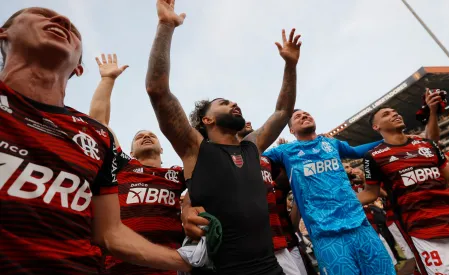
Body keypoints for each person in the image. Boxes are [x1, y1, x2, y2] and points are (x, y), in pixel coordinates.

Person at [0, 7, 189, 275]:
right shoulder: (121, 162)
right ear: (3, 33)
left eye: (74, 31)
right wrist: (108, 80)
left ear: (78, 68)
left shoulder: (95, 138)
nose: (62, 20)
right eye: (40, 13)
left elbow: (110, 233)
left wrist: (192, 261)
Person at [145, 0, 301, 273]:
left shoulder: (252, 147)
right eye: (224, 102)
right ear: (207, 119)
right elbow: (157, 89)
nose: (233, 104)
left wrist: (290, 66)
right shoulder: (194, 148)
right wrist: (166, 25)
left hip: (270, 267)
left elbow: (282, 111)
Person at [358, 106, 449, 275]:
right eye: (386, 114)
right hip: (425, 233)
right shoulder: (374, 156)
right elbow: (371, 192)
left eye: (395, 111)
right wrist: (337, 202)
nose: (395, 114)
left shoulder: (428, 145)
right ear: (376, 127)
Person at [263, 109, 396, 275]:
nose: (304, 116)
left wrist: (389, 140)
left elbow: (356, 152)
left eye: (307, 113)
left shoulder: (331, 143)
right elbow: (256, 158)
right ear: (291, 130)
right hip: (326, 235)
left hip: (359, 224)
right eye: (297, 117)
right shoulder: (284, 151)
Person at [89, 53, 187, 275]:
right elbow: (98, 125)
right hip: (119, 266)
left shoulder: (178, 175)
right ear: (131, 150)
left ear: (162, 148)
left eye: (151, 134)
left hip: (168, 267)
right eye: (139, 136)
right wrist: (108, 80)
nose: (146, 136)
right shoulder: (123, 166)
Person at [237, 122, 307, 275]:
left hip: (285, 244)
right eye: (242, 122)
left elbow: (289, 181)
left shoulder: (268, 161)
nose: (248, 123)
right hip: (253, 251)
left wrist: (286, 155)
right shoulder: (224, 160)